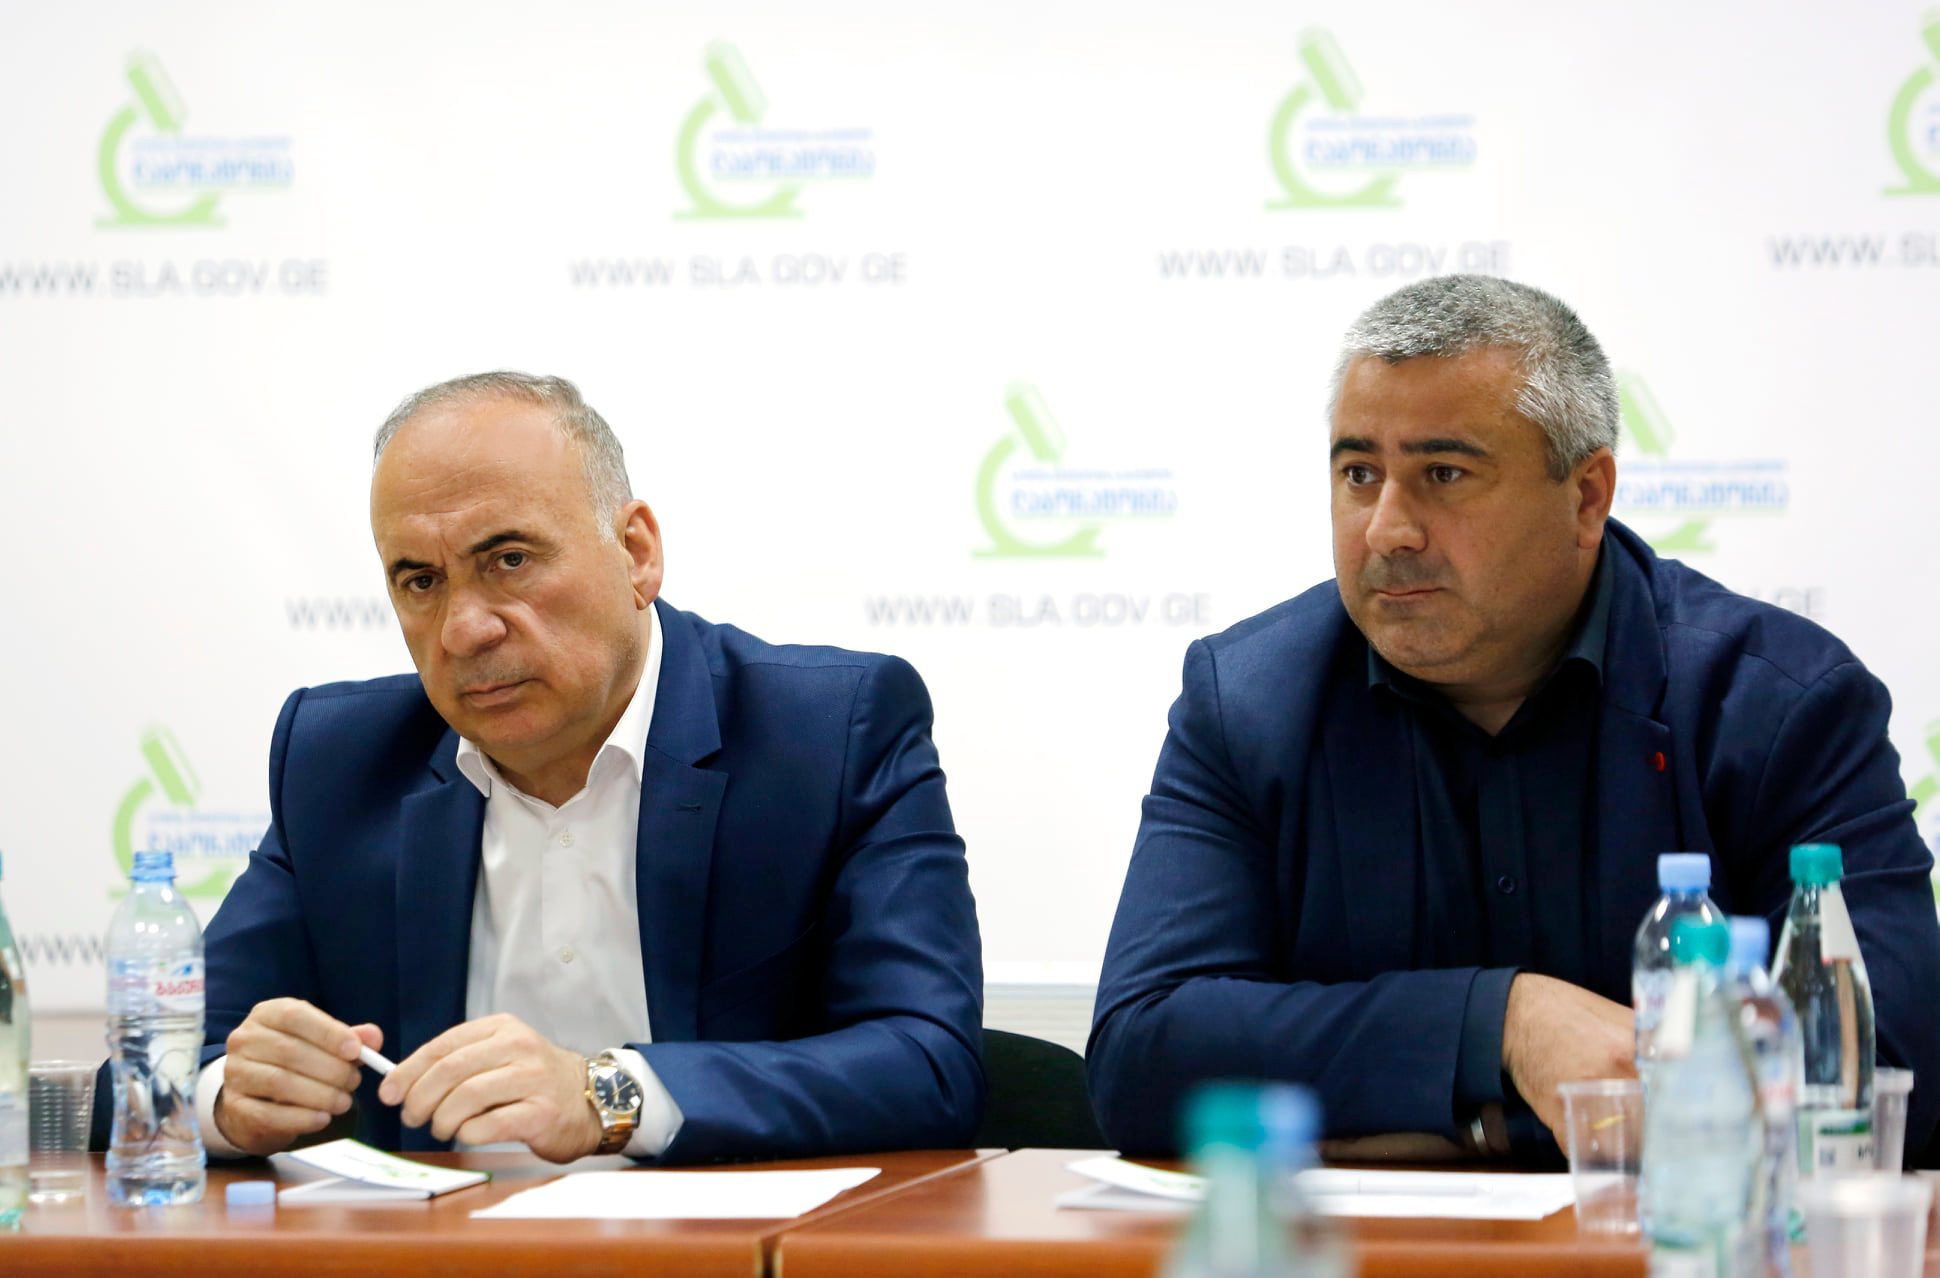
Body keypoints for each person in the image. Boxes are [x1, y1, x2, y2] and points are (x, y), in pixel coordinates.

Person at [1087, 275, 1940, 1160]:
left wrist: (1465, 1126)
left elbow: (1882, 1074)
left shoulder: (1780, 706)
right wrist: (1503, 1023)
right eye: (1359, 474)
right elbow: (1142, 1054)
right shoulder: (1248, 702)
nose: (1387, 530)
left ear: (1586, 497)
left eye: (1443, 474)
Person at [94, 372, 984, 1163]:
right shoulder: (340, 762)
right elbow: (143, 1076)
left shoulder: (828, 735)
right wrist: (231, 1099)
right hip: (445, 1259)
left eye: (509, 561)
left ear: (636, 552)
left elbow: (930, 1060)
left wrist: (608, 1095)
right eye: (421, 581)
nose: (464, 629)